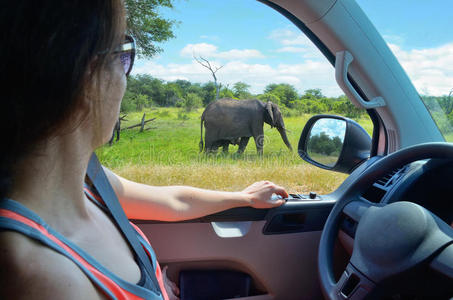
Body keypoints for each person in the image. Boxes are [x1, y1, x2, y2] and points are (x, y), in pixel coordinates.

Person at [0, 1, 288, 299]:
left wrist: (242, 197)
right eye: (123, 55)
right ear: (83, 74)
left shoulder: (88, 180)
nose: (126, 79)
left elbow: (172, 200)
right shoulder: (42, 277)